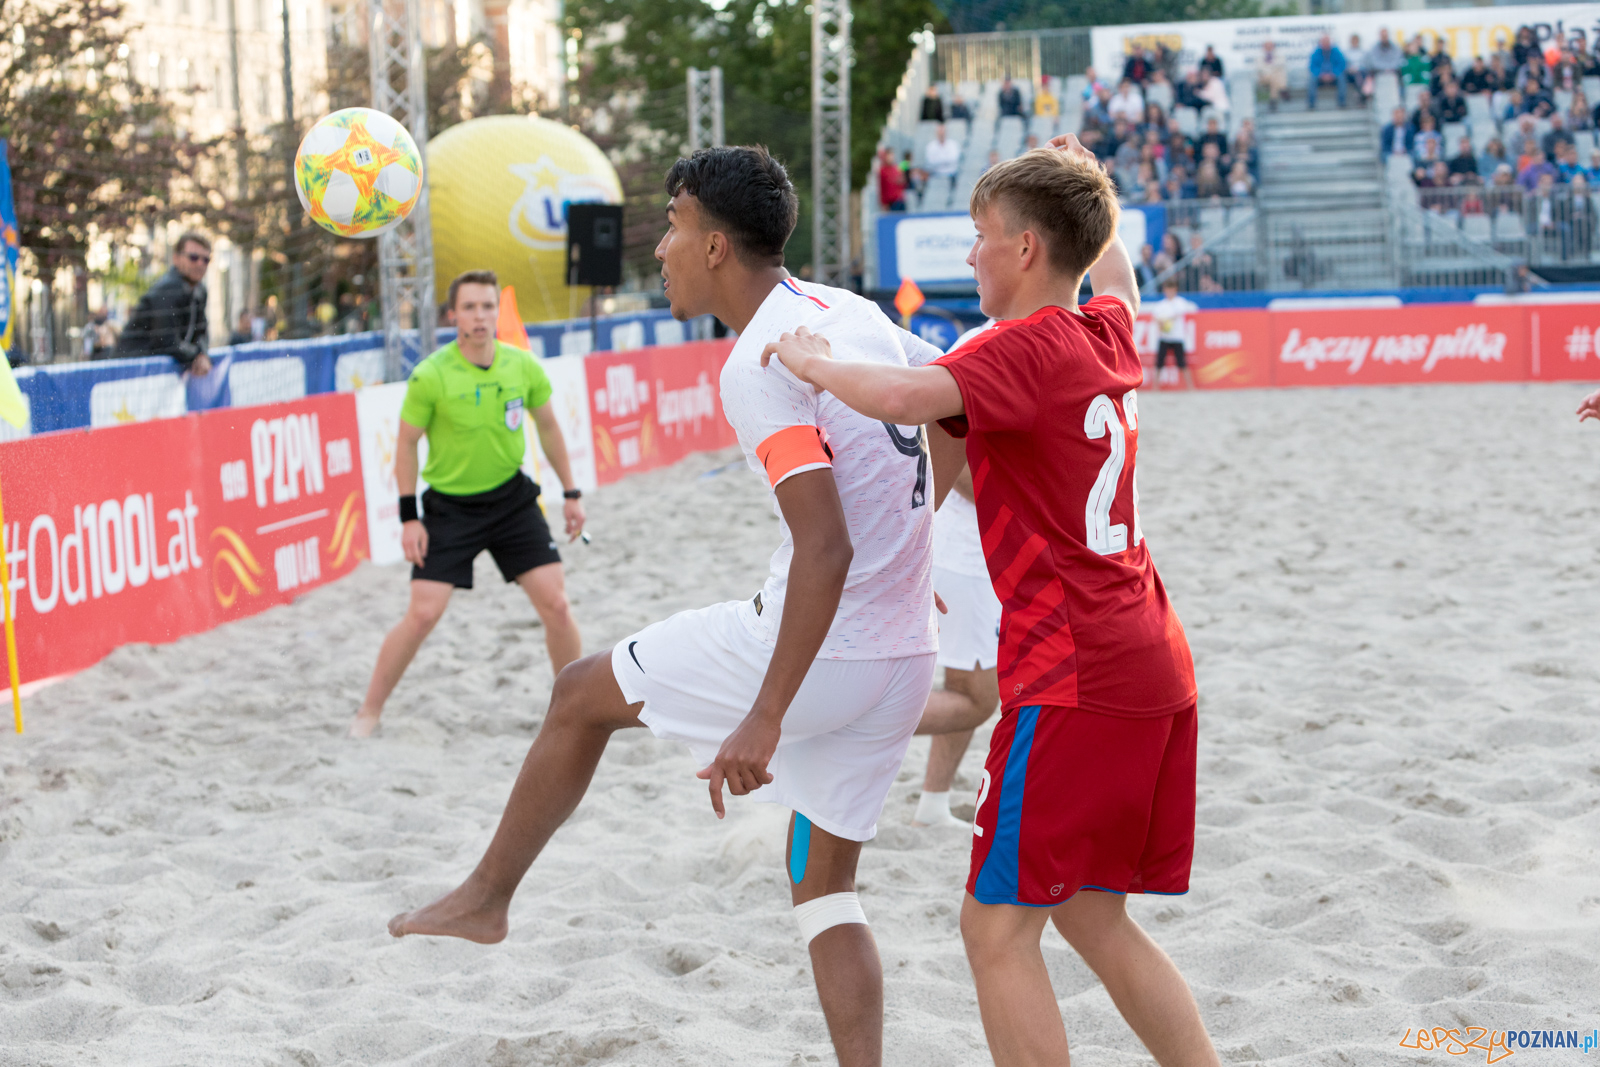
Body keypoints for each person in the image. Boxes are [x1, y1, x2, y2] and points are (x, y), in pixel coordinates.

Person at [386, 146, 944, 1067]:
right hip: (902, 655)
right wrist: (916, 543)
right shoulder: (847, 311)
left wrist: (765, 716)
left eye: (675, 224)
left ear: (718, 245)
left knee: (578, 693)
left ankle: (487, 895)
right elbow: (955, 412)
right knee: (827, 893)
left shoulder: (759, 358)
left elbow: (827, 545)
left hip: (821, 652)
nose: (661, 249)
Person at [761, 135, 1213, 1067]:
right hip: (1152, 655)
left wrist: (812, 364)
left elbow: (898, 391)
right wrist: (1088, 184)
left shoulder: (1019, 348)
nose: (970, 254)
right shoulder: (1107, 328)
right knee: (1092, 914)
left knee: (995, 931)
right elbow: (1114, 268)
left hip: (1074, 675)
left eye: (981, 236)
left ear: (1026, 251)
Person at [350, 270, 587, 738]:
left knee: (557, 605)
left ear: (496, 311)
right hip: (450, 509)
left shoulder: (523, 366)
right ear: (452, 314)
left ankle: (575, 711)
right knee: (422, 615)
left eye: (487, 307)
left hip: (512, 501)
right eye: (470, 307)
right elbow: (405, 444)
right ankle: (369, 713)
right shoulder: (431, 375)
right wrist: (408, 518)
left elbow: (550, 429)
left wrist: (571, 493)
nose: (479, 316)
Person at [116, 231, 213, 374]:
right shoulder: (167, 289)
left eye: (206, 260)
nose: (200, 264)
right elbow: (167, 343)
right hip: (131, 370)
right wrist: (196, 355)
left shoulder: (199, 291)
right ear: (176, 258)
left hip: (157, 372)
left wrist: (202, 353)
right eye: (193, 257)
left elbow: (201, 332)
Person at [1147, 279, 1196, 390]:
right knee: (1159, 363)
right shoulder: (1160, 305)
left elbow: (1174, 315)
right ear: (1164, 290)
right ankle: (1155, 387)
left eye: (1171, 289)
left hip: (1177, 337)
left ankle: (1191, 387)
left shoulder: (1180, 302)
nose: (1169, 292)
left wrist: (1163, 320)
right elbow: (1156, 319)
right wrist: (1162, 322)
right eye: (1167, 290)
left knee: (1182, 363)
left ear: (1175, 290)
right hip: (1164, 337)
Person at [923, 123, 962, 201]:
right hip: (935, 174)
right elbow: (930, 161)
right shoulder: (931, 146)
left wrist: (939, 160)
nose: (941, 134)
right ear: (936, 133)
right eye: (939, 132)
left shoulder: (953, 144)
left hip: (951, 174)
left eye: (943, 132)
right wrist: (945, 160)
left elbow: (954, 158)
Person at [1309, 34, 1347, 109]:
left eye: (1327, 42)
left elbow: (1341, 64)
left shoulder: (1336, 51)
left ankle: (1342, 102)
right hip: (1320, 76)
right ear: (1321, 43)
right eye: (1324, 42)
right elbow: (1312, 66)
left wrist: (1333, 73)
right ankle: (1311, 104)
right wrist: (1320, 74)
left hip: (1334, 75)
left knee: (1341, 78)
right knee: (1312, 79)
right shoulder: (1316, 52)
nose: (1326, 44)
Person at [1257, 41, 1288, 111]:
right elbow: (1260, 69)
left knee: (1275, 77)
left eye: (1270, 46)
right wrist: (1272, 69)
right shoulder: (1259, 56)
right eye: (1267, 46)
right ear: (1264, 47)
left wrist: (1271, 68)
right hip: (1263, 78)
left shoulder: (1278, 55)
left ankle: (1273, 100)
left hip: (1273, 78)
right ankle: (1283, 89)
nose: (1269, 47)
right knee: (1275, 75)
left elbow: (1281, 64)